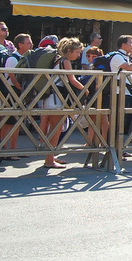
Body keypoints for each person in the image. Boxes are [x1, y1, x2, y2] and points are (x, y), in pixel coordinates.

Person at [40, 38, 87, 168]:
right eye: (77, 52)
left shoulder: (56, 59)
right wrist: (85, 89)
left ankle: (50, 156)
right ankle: (49, 160)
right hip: (56, 97)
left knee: (52, 127)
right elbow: (72, 79)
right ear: (69, 50)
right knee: (56, 128)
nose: (78, 55)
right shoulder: (65, 61)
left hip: (49, 96)